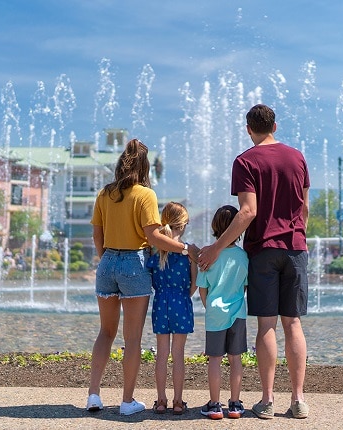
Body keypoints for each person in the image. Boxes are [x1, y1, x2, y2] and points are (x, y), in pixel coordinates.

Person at [198, 104, 311, 420]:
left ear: (249, 129)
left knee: (267, 324)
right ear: (276, 125)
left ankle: (267, 400)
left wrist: (217, 248)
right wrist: (298, 235)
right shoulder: (298, 158)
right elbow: (303, 208)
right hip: (295, 248)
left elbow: (247, 212)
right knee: (293, 323)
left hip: (262, 250)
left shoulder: (245, 161)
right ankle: (299, 399)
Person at [87, 138, 199, 416]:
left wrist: (106, 259)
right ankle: (127, 402)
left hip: (107, 261)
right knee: (132, 337)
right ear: (145, 165)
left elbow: (97, 234)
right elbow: (153, 236)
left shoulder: (104, 194)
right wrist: (186, 248)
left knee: (106, 332)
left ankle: (93, 395)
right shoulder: (145, 195)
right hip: (133, 264)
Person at [197, 205, 249, 420]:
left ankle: (215, 405)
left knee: (215, 360)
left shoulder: (209, 255)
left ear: (214, 226)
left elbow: (202, 288)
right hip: (238, 312)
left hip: (215, 313)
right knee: (235, 359)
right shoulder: (243, 256)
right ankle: (235, 404)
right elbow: (245, 286)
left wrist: (209, 307)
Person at [146, 202, 197, 415]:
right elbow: (194, 286)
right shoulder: (188, 253)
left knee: (161, 355)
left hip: (160, 304)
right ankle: (177, 401)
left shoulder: (154, 252)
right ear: (183, 225)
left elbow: (150, 280)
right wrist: (182, 295)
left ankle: (160, 401)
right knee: (178, 355)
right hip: (181, 303)